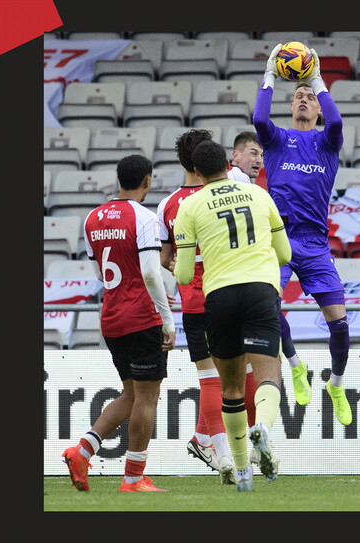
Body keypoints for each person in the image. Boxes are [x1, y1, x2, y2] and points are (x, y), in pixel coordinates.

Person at [173, 140, 292, 492]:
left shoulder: (189, 206)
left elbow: (181, 276)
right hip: (259, 290)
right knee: (269, 375)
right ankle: (265, 431)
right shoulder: (258, 195)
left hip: (219, 296)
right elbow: (284, 253)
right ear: (228, 163)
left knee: (230, 389)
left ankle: (241, 471)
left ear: (196, 171)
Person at [62, 154, 177, 493]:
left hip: (111, 316)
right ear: (148, 181)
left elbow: (101, 273)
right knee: (147, 398)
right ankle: (133, 478)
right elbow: (150, 272)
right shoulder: (144, 218)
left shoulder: (92, 218)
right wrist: (167, 319)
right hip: (142, 317)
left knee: (130, 394)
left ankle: (82, 451)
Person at [253, 44, 353, 425]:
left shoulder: (328, 141)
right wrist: (270, 76)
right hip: (278, 237)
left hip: (314, 242)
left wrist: (317, 81)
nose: (304, 100)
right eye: (298, 95)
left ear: (318, 109)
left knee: (339, 325)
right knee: (268, 307)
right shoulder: (276, 139)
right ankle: (296, 366)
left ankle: (337, 384)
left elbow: (338, 123)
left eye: (309, 97)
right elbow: (259, 118)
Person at [157, 128, 257, 485]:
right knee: (240, 374)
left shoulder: (168, 204)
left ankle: (216, 448)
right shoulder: (231, 194)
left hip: (196, 302)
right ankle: (230, 450)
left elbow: (166, 260)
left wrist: (187, 268)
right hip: (234, 291)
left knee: (211, 379)